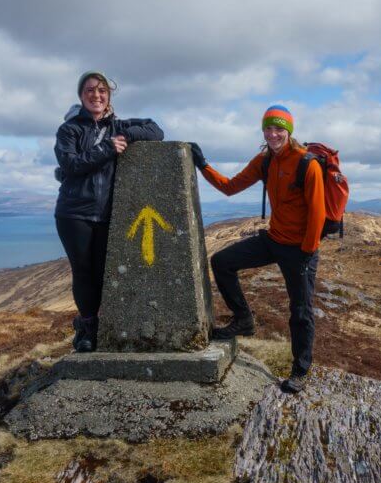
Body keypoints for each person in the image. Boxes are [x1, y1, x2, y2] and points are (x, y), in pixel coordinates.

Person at [189, 105, 325, 393]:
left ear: (289, 132)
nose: (273, 134)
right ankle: (243, 320)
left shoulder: (306, 163)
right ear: (263, 131)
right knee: (222, 262)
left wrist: (307, 252)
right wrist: (202, 165)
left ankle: (300, 371)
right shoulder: (265, 161)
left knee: (300, 311)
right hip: (273, 239)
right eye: (269, 129)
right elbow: (230, 187)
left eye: (279, 129)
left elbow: (317, 213)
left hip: (300, 250)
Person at [54, 71, 164, 352]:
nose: (96, 95)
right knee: (83, 271)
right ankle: (87, 329)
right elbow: (71, 165)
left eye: (102, 91)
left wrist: (125, 134)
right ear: (81, 96)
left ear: (109, 97)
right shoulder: (69, 130)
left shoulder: (117, 125)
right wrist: (107, 148)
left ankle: (100, 324)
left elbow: (155, 130)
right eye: (90, 90)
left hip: (106, 215)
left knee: (103, 271)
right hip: (74, 213)